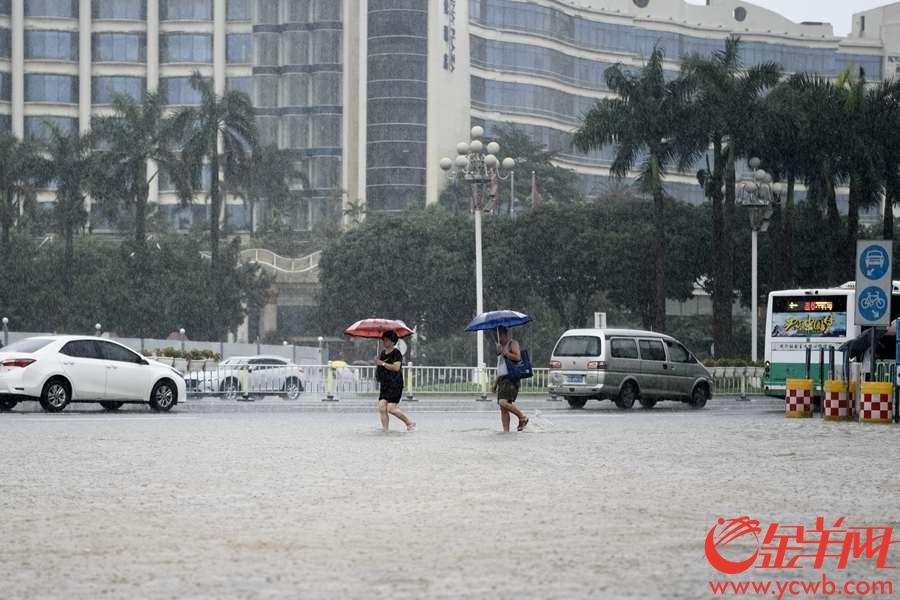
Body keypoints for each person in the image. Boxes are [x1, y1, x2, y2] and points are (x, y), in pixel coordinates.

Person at [375, 330, 415, 432]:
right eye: (383, 340)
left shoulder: (396, 353)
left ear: (393, 342)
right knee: (381, 407)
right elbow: (381, 367)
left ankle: (409, 422)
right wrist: (378, 363)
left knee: (391, 408)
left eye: (387, 340)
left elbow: (396, 368)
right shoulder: (382, 353)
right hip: (385, 384)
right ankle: (385, 430)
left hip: (395, 384)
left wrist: (383, 364)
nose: (384, 342)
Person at [492, 325, 528, 432]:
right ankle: (506, 431)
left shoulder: (513, 343)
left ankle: (522, 417)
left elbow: (517, 357)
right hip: (502, 380)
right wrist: (495, 383)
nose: (497, 339)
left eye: (497, 336)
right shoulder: (499, 347)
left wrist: (505, 352)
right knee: (503, 409)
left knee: (503, 402)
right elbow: (500, 367)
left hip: (511, 378)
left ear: (503, 334)